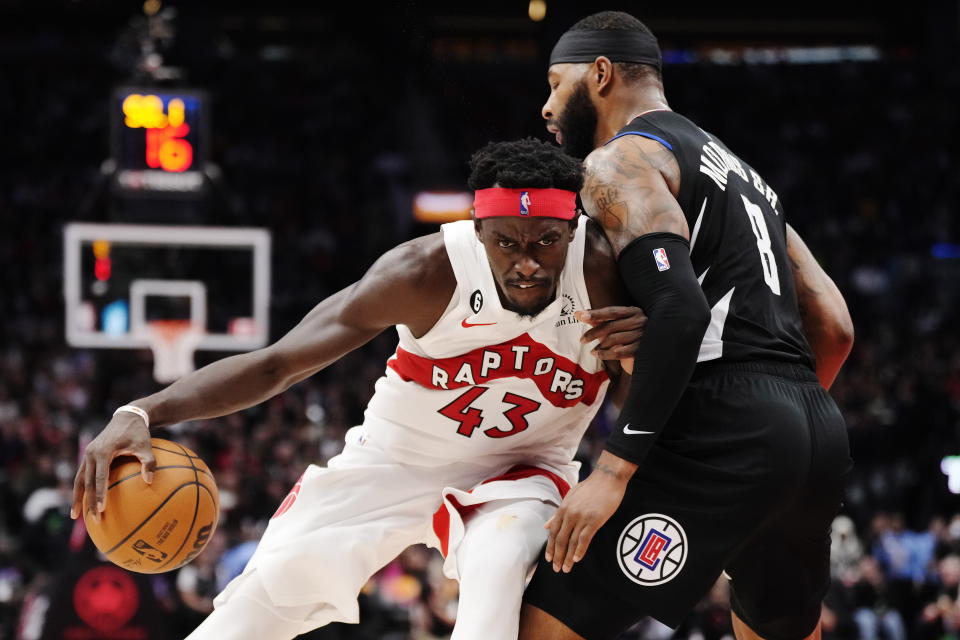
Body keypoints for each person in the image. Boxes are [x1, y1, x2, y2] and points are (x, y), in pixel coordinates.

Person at [71, 138, 645, 639]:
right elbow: (278, 365)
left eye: (546, 241)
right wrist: (142, 410)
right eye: (507, 242)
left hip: (520, 472)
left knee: (496, 573)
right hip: (391, 463)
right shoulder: (422, 274)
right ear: (477, 230)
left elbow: (635, 400)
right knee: (253, 609)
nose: (527, 264)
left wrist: (640, 361)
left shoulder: (608, 278)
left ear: (574, 229)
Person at [518, 11, 855, 640]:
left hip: (723, 422)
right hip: (815, 429)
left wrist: (614, 470)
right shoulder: (750, 180)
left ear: (599, 74)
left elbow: (682, 308)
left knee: (535, 627)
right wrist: (784, 427)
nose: (545, 106)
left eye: (554, 84)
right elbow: (834, 325)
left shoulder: (619, 162)